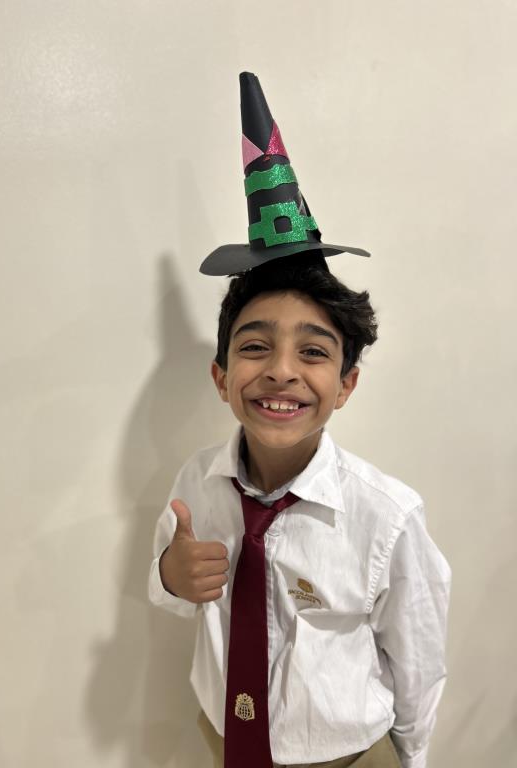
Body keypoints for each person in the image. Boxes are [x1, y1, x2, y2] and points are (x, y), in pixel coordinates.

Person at [148, 73, 451, 768]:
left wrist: (411, 758)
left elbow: (418, 659)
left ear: (345, 385)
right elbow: (169, 594)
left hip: (347, 758)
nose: (281, 370)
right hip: (224, 739)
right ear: (221, 376)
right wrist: (171, 575)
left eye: (313, 352)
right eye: (255, 347)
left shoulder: (387, 517)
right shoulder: (198, 483)